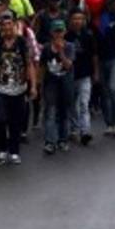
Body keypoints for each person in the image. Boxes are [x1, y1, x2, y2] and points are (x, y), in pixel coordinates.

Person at [0, 13, 36, 165]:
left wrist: (33, 86)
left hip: (19, 88)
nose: (7, 27)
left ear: (14, 25)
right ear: (1, 27)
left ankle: (14, 151)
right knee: (0, 119)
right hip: (1, 88)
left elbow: (29, 64)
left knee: (16, 121)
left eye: (9, 24)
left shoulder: (22, 43)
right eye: (4, 25)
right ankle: (2, 149)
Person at [39, 19, 75, 154]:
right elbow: (42, 66)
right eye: (56, 31)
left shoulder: (70, 46)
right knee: (50, 112)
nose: (58, 34)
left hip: (66, 84)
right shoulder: (46, 48)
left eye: (61, 31)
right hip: (51, 85)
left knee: (64, 113)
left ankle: (63, 140)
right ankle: (49, 142)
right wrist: (39, 84)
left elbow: (68, 65)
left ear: (65, 32)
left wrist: (61, 52)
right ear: (52, 33)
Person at [66, 8, 99, 146]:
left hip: (85, 74)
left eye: (80, 18)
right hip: (70, 75)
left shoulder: (88, 36)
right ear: (70, 20)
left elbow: (94, 55)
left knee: (84, 103)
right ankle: (74, 129)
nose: (77, 21)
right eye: (75, 18)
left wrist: (95, 72)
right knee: (72, 104)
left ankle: (85, 131)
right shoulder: (66, 36)